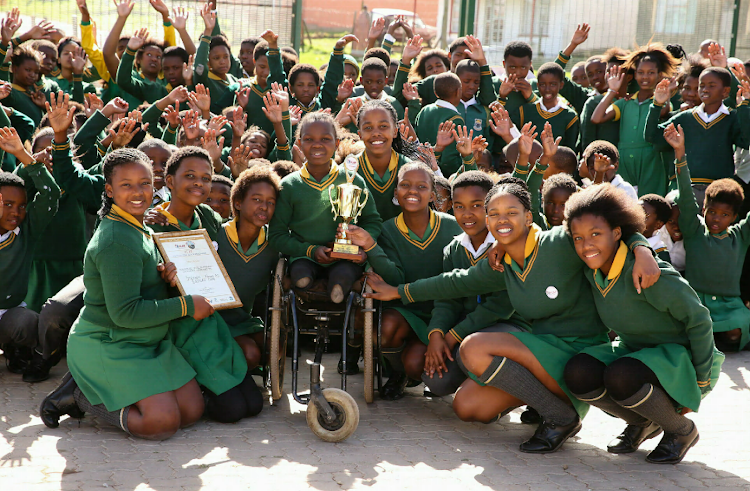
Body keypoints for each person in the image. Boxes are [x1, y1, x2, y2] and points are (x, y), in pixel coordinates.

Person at [363, 178, 658, 453]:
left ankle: (560, 417)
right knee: (467, 407)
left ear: (528, 217)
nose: (502, 220)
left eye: (511, 212)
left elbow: (610, 230)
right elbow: (453, 282)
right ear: (488, 221)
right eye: (494, 213)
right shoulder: (499, 263)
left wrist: (642, 248)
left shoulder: (558, 242)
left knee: (473, 348)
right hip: (543, 352)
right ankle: (549, 407)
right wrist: (399, 292)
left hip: (580, 359)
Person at [39, 147, 207, 439]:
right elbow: (126, 313)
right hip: (110, 343)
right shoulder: (116, 239)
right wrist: (186, 305)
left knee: (192, 412)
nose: (138, 192)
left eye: (144, 183)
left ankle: (101, 388)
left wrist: (163, 275)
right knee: (162, 423)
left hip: (146, 340)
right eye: (126, 185)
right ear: (109, 190)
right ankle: (80, 396)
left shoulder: (139, 225)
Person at [563, 183, 723, 464]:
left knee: (621, 375)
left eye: (596, 234)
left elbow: (698, 318)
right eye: (578, 238)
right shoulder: (592, 271)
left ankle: (681, 430)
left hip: (679, 360)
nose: (586, 244)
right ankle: (644, 422)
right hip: (634, 353)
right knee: (579, 372)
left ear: (616, 233)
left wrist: (702, 378)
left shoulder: (649, 272)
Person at [345, 162, 462, 399]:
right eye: (405, 185)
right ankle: (397, 372)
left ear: (432, 194)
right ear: (396, 194)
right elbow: (395, 276)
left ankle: (414, 368)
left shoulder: (452, 226)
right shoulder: (387, 230)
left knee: (417, 365)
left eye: (421, 186)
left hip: (443, 312)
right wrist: (371, 246)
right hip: (404, 311)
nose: (412, 191)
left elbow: (454, 283)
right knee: (386, 327)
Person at [419, 171, 530, 398]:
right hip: (470, 332)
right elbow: (446, 298)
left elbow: (500, 306)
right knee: (436, 382)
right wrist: (437, 334)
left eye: (476, 205)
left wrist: (452, 337)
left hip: (511, 326)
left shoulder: (505, 245)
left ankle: (522, 389)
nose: (467, 214)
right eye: (459, 206)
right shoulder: (453, 249)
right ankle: (485, 381)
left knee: (464, 352)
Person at [267, 111, 382, 304]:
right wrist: (311, 250)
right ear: (300, 144)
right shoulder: (289, 185)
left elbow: (372, 221)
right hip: (304, 256)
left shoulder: (353, 180)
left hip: (346, 258)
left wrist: (364, 246)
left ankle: (338, 290)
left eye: (325, 139)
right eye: (309, 139)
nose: (317, 144)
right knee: (301, 277)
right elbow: (277, 235)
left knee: (342, 276)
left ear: (336, 144)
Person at [667, 123, 750, 351]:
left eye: (724, 215)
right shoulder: (695, 232)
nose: (716, 219)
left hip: (730, 305)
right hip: (697, 302)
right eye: (712, 212)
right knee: (685, 330)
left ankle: (714, 341)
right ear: (703, 210)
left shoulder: (740, 236)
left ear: (734, 217)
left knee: (736, 331)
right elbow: (685, 195)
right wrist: (680, 153)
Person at [0, 125, 60, 379]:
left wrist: (25, 156)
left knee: (29, 322)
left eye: (22, 206)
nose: (16, 212)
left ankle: (17, 350)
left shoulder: (26, 232)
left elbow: (51, 194)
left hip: (9, 312)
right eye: (7, 205)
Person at [645, 68, 750, 205]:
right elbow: (652, 136)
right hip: (684, 187)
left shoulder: (732, 117)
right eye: (702, 85)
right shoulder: (685, 117)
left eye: (712, 86)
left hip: (718, 190)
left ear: (725, 91)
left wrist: (744, 106)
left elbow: (746, 141)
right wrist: (657, 104)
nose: (705, 89)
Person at [591, 44, 680, 196]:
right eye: (641, 72)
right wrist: (612, 90)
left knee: (649, 203)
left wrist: (666, 92)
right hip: (624, 159)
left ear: (659, 75)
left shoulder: (659, 102)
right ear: (635, 75)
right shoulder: (625, 103)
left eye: (651, 72)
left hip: (651, 160)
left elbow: (664, 109)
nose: (645, 77)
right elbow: (596, 118)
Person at [216, 166, 280, 369]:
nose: (264, 207)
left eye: (271, 203)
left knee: (275, 348)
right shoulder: (216, 234)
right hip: (209, 320)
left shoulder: (274, 245)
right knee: (251, 354)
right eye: (257, 199)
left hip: (243, 318)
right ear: (238, 202)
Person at [350, 100, 416, 221]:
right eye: (368, 127)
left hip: (399, 239)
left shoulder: (410, 169)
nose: (376, 133)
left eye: (383, 126)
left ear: (395, 131)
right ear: (360, 135)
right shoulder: (348, 170)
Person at [147, 146, 224, 240]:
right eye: (190, 176)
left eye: (205, 178)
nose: (199, 183)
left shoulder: (207, 216)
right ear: (170, 181)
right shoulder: (153, 222)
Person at [507, 62, 579, 151]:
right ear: (537, 86)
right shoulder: (524, 110)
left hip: (555, 164)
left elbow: (569, 151)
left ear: (561, 85)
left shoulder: (570, 117)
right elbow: (513, 139)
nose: (547, 89)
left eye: (553, 84)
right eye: (542, 84)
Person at [415, 72, 477, 176]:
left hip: (421, 167)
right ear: (458, 92)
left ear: (435, 93)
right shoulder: (456, 118)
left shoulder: (424, 110)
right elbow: (449, 159)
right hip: (442, 175)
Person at [639, 193, 672, 262]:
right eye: (635, 211)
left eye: (644, 215)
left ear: (658, 225)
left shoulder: (660, 253)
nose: (636, 216)